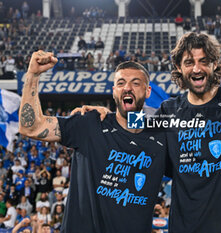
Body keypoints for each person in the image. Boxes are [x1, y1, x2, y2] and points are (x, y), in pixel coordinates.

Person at [77, 28, 221, 232]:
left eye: (204, 61)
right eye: (189, 62)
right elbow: (132, 125)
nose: (197, 68)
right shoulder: (169, 111)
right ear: (179, 67)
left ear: (215, 64)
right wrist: (109, 114)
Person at [18, 53, 168, 233]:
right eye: (121, 83)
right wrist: (32, 76)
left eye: (136, 83)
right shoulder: (90, 123)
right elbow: (31, 127)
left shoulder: (161, 138)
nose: (127, 88)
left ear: (148, 91)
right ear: (114, 91)